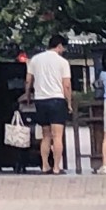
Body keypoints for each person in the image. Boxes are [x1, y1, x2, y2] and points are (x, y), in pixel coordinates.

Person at [24, 34, 72, 175]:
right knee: (57, 136)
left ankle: (45, 165)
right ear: (59, 46)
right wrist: (69, 102)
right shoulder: (63, 62)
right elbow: (66, 85)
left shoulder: (35, 59)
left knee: (46, 135)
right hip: (57, 100)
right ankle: (56, 167)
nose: (63, 51)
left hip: (40, 100)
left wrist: (28, 96)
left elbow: (28, 80)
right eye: (63, 48)